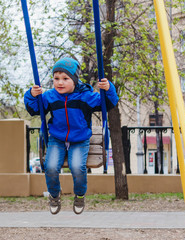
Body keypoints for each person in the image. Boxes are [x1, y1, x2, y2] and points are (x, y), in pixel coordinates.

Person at [24, 57, 119, 214]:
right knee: (51, 167)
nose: (60, 82)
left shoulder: (85, 96)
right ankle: (54, 194)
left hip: (80, 139)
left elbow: (108, 103)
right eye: (56, 78)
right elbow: (34, 109)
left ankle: (80, 194)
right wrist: (31, 95)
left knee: (77, 167)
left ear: (75, 80)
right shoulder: (50, 96)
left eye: (65, 79)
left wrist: (109, 89)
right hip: (57, 138)